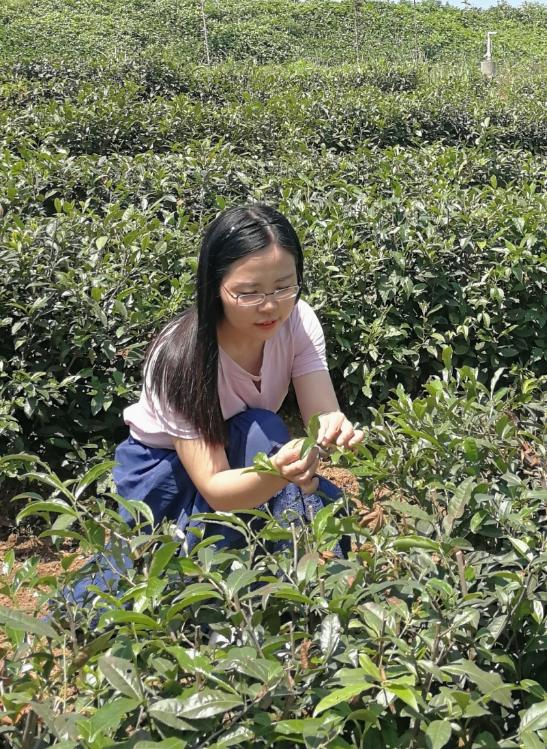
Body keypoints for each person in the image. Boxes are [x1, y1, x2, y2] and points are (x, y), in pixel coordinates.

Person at [112, 202, 364, 554]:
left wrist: (332, 427)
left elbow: (320, 417)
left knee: (264, 433)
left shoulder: (299, 322)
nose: (270, 306)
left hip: (240, 446)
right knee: (150, 575)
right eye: (248, 292)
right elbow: (215, 484)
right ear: (215, 286)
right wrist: (276, 473)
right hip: (162, 469)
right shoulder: (180, 357)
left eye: (283, 287)